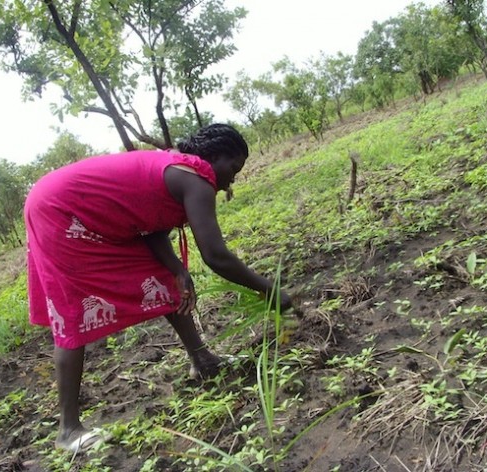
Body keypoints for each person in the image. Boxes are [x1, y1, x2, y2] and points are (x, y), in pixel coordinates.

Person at [24, 123, 292, 453]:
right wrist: (268, 288)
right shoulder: (196, 177)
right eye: (233, 168)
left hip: (67, 204)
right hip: (61, 211)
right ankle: (68, 429)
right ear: (216, 157)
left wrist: (178, 270)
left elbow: (152, 230)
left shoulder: (177, 169)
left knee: (163, 280)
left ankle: (203, 360)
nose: (231, 180)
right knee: (73, 309)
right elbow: (216, 255)